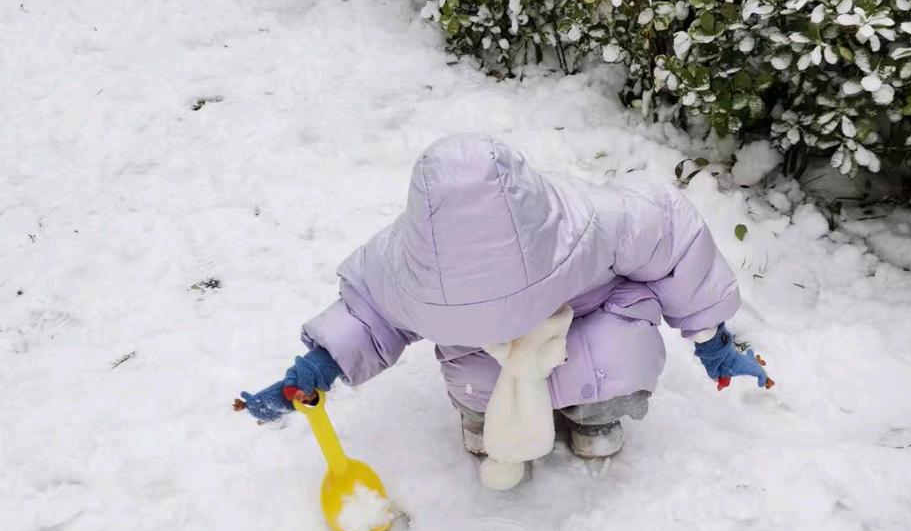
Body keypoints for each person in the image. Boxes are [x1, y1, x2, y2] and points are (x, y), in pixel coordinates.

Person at [236, 134, 771, 488]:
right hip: (482, 355)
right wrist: (311, 371)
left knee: (616, 353)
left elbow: (674, 242)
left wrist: (715, 344)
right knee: (475, 377)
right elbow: (367, 313)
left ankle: (596, 415)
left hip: (587, 317)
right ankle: (489, 422)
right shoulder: (404, 265)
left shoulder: (594, 222)